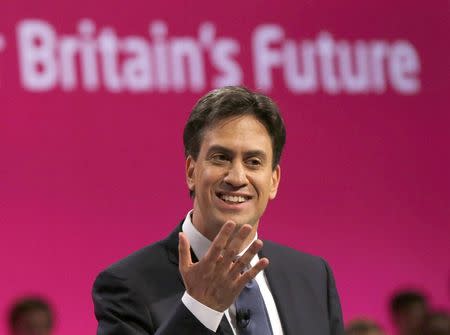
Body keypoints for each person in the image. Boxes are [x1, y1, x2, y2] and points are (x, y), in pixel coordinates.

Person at [92, 86, 344, 335]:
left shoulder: (313, 278)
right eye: (221, 157)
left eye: (253, 162)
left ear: (274, 181)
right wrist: (200, 309)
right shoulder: (127, 285)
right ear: (191, 171)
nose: (236, 177)